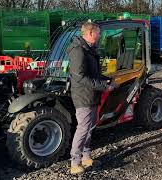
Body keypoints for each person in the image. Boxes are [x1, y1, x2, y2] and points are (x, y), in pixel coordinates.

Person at [67, 22, 115, 175]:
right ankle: (75, 162)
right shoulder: (78, 51)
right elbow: (80, 77)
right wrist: (103, 86)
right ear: (90, 33)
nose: (100, 35)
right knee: (83, 128)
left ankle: (86, 156)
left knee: (90, 126)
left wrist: (107, 79)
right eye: (98, 33)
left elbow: (94, 74)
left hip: (92, 95)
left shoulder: (90, 50)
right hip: (83, 96)